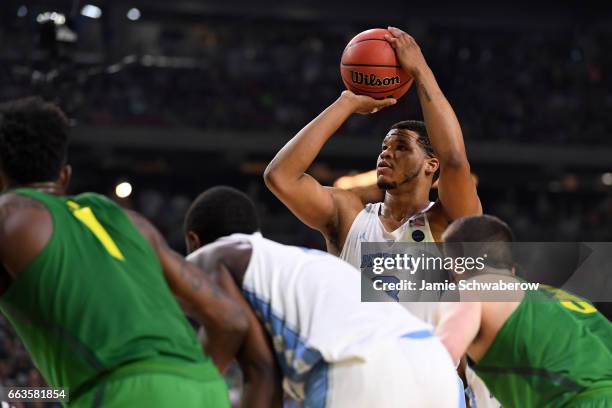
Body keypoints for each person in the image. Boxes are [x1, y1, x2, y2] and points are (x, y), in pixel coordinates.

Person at [0, 97, 253, 407]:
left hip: (121, 393)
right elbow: (231, 320)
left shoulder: (8, 217)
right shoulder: (131, 223)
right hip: (203, 388)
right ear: (64, 177)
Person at [183, 186, 463, 408]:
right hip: (434, 367)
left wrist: (188, 383)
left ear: (194, 242)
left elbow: (236, 334)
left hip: (358, 365)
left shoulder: (210, 257)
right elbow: (262, 372)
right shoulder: (301, 264)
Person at [436, 215, 612, 407]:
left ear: (454, 267)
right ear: (511, 266)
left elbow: (436, 359)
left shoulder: (470, 290)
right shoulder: (565, 298)